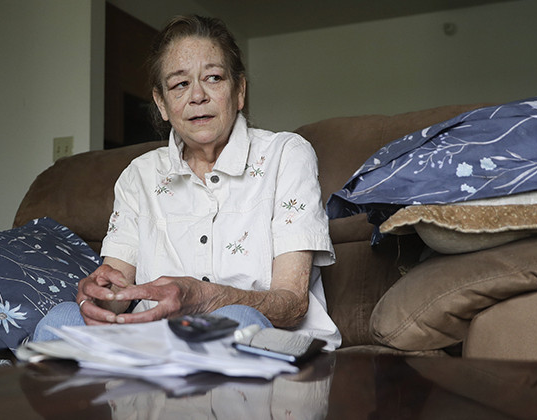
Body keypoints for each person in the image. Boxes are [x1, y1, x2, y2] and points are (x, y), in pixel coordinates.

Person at [34, 15, 340, 349]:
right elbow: (117, 290)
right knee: (60, 320)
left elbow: (293, 304)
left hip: (260, 336)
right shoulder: (140, 175)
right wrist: (100, 296)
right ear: (162, 103)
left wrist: (207, 298)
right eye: (180, 84)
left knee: (236, 323)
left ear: (239, 91)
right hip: (158, 341)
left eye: (213, 78)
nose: (197, 95)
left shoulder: (286, 155)